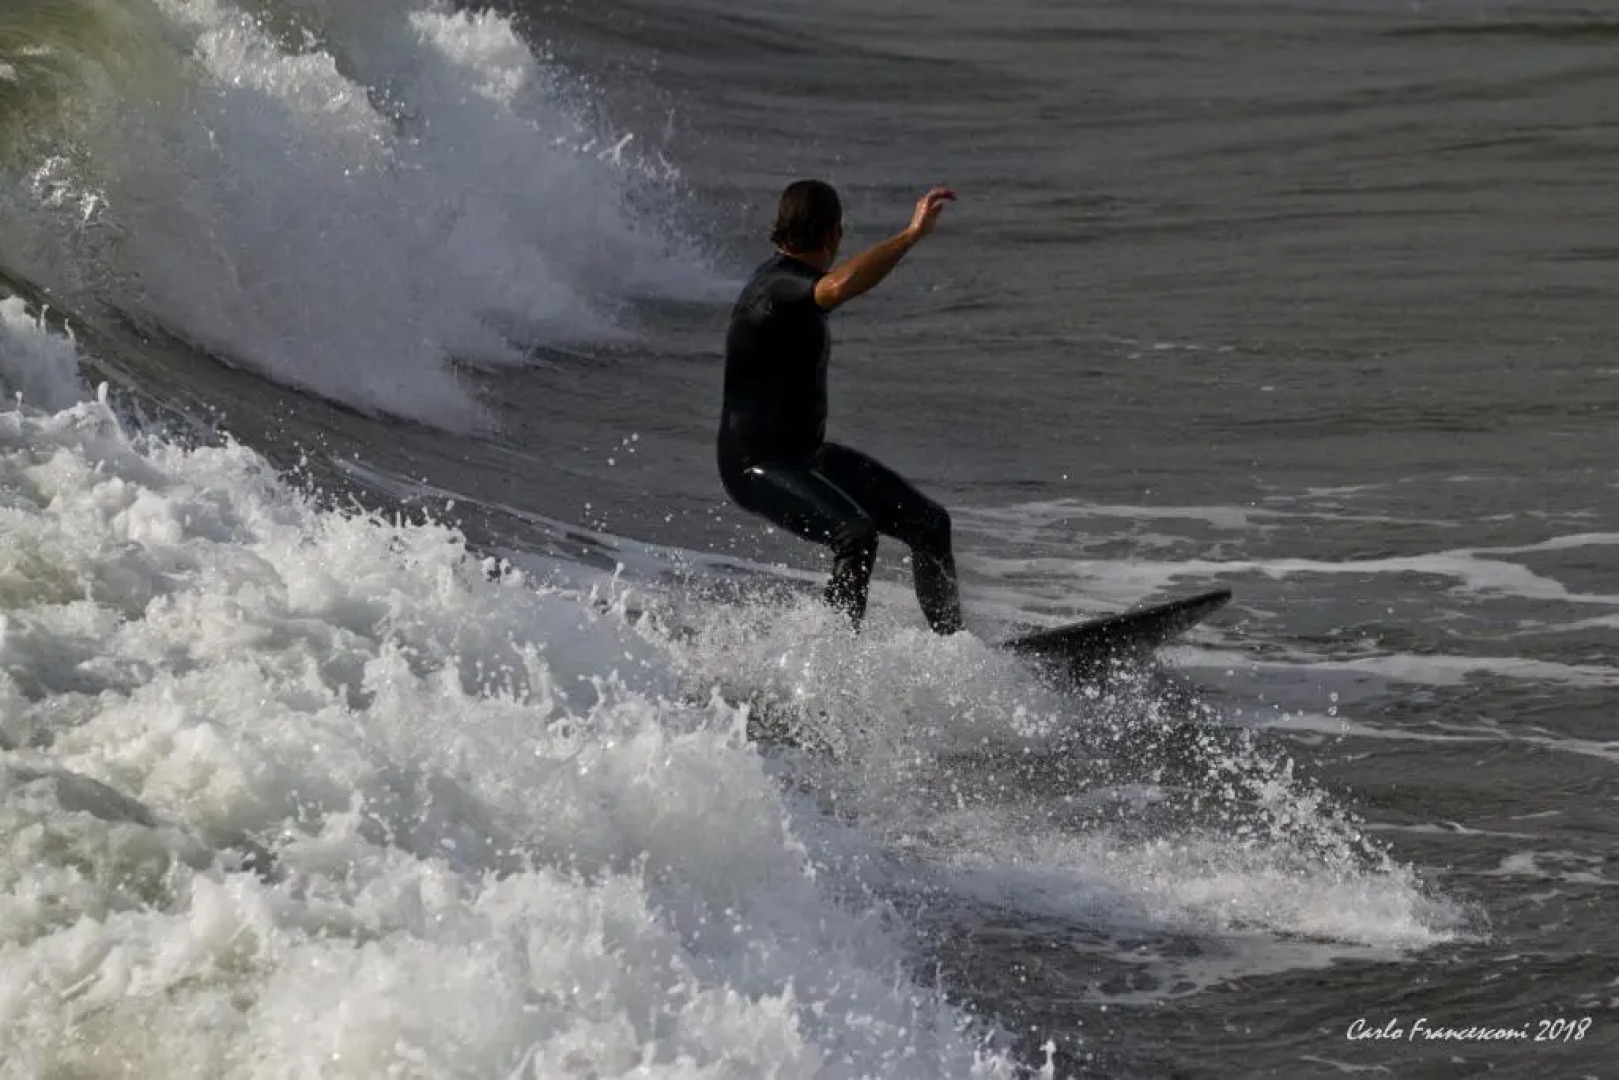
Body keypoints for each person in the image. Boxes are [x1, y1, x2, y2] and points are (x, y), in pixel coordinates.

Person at [718, 179, 964, 634]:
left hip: (806, 458)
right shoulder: (775, 288)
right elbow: (835, 288)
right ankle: (833, 662)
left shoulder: (788, 285)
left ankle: (956, 649)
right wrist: (910, 235)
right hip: (755, 465)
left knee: (930, 524)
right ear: (834, 234)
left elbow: (828, 288)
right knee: (855, 534)